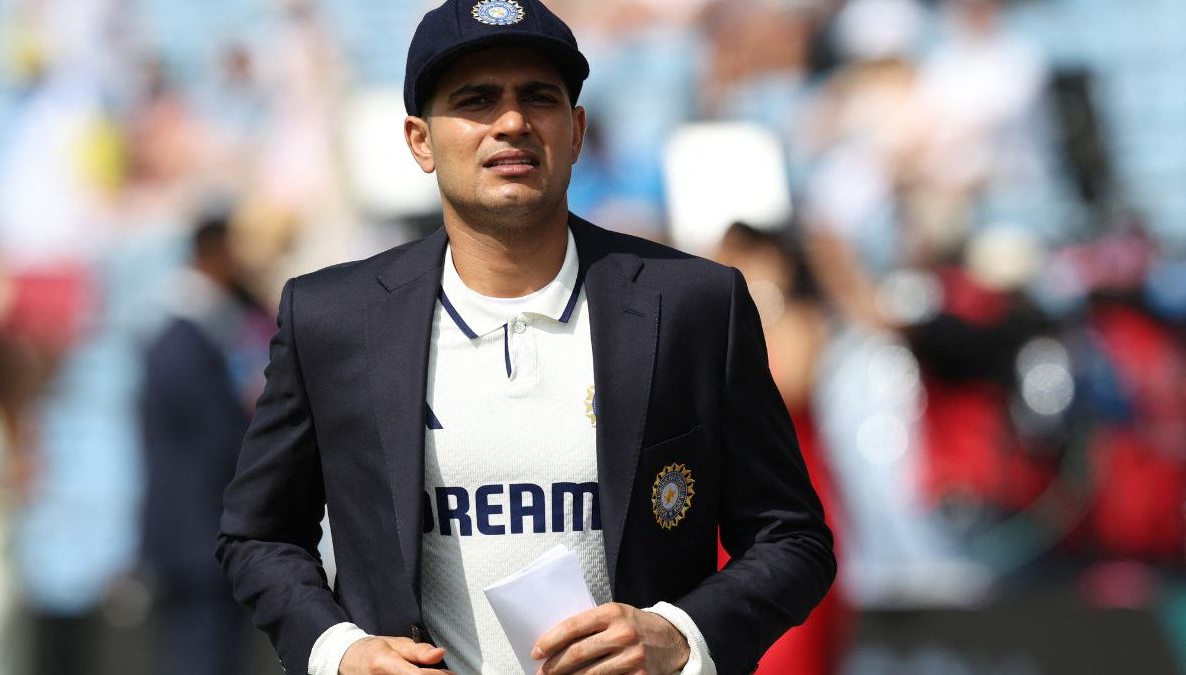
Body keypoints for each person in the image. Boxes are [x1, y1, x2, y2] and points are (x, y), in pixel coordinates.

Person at [217, 2, 835, 674]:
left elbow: (792, 537)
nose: (511, 122)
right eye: (476, 100)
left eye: (537, 97)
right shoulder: (330, 317)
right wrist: (341, 651)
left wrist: (680, 634)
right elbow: (258, 533)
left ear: (574, 130)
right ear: (419, 140)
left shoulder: (693, 304)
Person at [142, 215, 272, 675]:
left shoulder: (189, 337)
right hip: (198, 539)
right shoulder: (186, 343)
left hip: (192, 537)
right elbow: (219, 441)